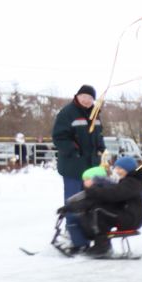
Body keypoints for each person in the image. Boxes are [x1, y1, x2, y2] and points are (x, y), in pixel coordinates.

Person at [63, 155, 142, 256]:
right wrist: (75, 206)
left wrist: (92, 188)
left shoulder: (132, 183)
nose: (117, 171)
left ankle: (102, 246)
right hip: (129, 216)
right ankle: (99, 244)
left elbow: (113, 195)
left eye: (120, 168)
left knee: (98, 211)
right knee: (100, 208)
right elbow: (110, 198)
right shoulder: (129, 182)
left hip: (131, 218)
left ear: (128, 169)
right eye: (116, 168)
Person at [51, 84, 103, 253]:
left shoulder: (95, 113)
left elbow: (98, 134)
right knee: (74, 202)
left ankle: (87, 238)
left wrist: (101, 148)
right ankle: (75, 239)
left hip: (91, 167)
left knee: (89, 204)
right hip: (73, 166)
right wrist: (73, 150)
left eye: (90, 98)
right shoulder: (68, 112)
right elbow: (58, 137)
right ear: (78, 96)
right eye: (84, 97)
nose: (87, 100)